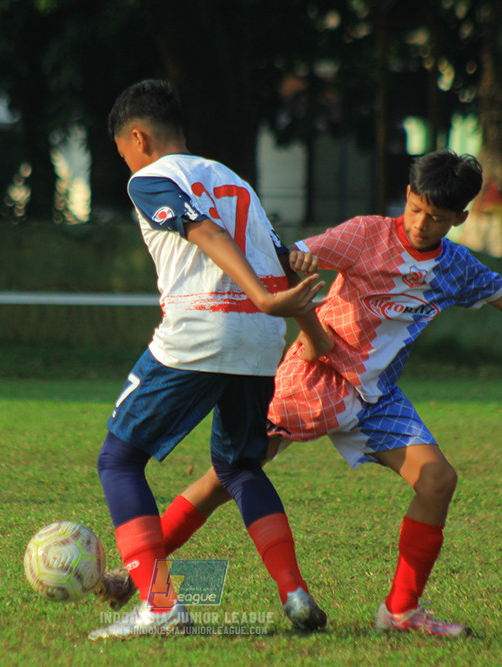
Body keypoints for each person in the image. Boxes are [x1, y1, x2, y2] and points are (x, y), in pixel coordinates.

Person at [99, 149, 502, 637]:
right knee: (227, 476)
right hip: (314, 376)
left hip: (376, 398)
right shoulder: (366, 234)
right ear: (407, 194)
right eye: (416, 209)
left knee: (437, 480)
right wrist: (311, 320)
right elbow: (291, 266)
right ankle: (133, 574)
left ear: (460, 218)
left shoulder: (456, 266)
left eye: (436, 218)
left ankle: (401, 610)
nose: (421, 224)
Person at [88, 79, 331, 641]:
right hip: (260, 341)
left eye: (122, 152)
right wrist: (309, 333)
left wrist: (266, 297)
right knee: (241, 468)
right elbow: (282, 258)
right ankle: (294, 593)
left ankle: (159, 605)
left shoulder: (150, 177)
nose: (126, 163)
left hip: (201, 331)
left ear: (138, 138)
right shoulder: (232, 178)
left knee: (119, 460)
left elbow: (203, 230)